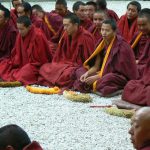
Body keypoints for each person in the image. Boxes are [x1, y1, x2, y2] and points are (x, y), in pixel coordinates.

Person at [73, 19, 138, 97]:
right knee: (80, 71)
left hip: (117, 76)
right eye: (102, 30)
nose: (103, 33)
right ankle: (96, 85)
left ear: (114, 31)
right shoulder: (102, 43)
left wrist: (97, 77)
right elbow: (96, 66)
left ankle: (98, 85)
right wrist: (87, 74)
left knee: (108, 79)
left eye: (107, 30)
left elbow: (121, 72)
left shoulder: (122, 46)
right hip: (102, 73)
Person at [38, 13, 95, 89]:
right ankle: (59, 79)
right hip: (65, 64)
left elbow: (89, 61)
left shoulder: (86, 37)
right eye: (64, 25)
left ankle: (58, 80)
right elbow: (59, 55)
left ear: (75, 25)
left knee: (69, 74)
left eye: (67, 25)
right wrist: (60, 65)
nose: (64, 28)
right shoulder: (65, 35)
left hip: (77, 66)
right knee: (44, 67)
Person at [0, 16, 52, 85]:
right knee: (3, 64)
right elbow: (16, 52)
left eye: (22, 29)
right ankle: (15, 76)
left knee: (26, 72)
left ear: (29, 27)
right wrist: (15, 61)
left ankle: (15, 78)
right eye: (18, 29)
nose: (20, 31)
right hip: (21, 63)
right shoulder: (20, 35)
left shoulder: (38, 35)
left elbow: (40, 60)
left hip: (35, 65)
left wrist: (27, 65)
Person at [131, 8, 150, 77]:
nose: (141, 28)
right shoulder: (138, 35)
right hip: (138, 64)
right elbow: (130, 51)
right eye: (139, 25)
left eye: (144, 25)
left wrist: (138, 61)